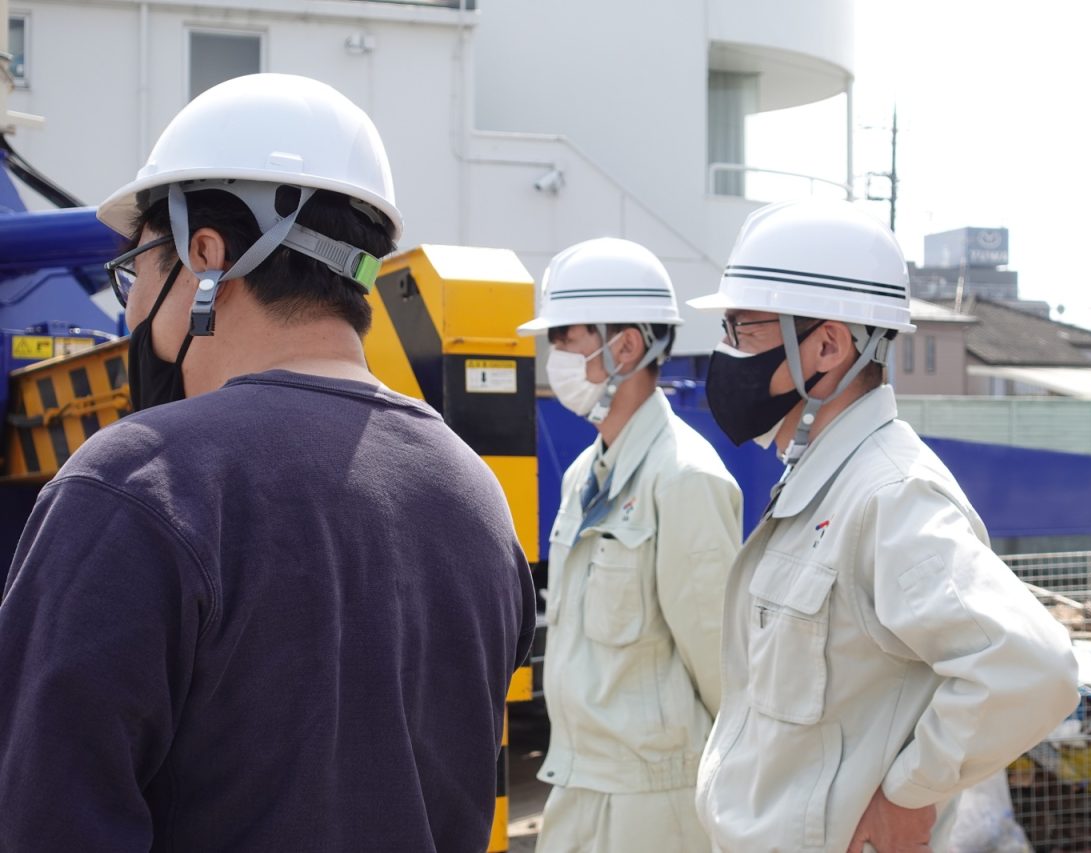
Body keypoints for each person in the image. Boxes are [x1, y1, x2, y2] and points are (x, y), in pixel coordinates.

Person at [0, 73, 535, 852]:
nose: (130, 309)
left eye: (138, 270)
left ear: (205, 253)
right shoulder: (477, 497)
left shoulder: (133, 485)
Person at [688, 199, 1079, 852]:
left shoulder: (890, 494)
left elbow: (1033, 666)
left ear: (828, 345)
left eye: (743, 329)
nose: (725, 354)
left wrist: (907, 790)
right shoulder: (823, 483)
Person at [515, 238, 742, 853]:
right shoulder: (582, 475)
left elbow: (725, 667)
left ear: (628, 346)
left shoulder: (685, 478)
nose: (554, 354)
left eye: (566, 336)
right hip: (578, 781)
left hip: (656, 804)